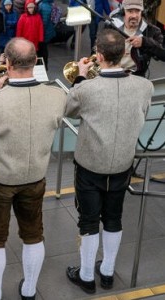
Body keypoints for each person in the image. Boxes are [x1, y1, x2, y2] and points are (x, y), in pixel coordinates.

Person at [0, 37, 67, 300]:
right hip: (36, 176)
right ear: (35, 62)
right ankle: (29, 290)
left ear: (7, 63)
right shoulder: (56, 96)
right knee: (33, 233)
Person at [65, 29, 152, 295]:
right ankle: (107, 273)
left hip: (90, 165)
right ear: (124, 53)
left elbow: (68, 109)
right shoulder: (144, 86)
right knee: (114, 217)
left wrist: (80, 77)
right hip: (123, 165)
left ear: (98, 56)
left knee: (88, 220)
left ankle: (87, 276)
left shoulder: (86, 89)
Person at [109, 0, 165, 77]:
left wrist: (144, 42)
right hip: (112, 74)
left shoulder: (152, 31)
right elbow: (97, 48)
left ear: (142, 12)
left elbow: (163, 54)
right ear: (123, 11)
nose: (134, 15)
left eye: (137, 11)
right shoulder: (112, 25)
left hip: (136, 76)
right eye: (130, 11)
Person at [37, 0, 56, 70]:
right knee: (43, 49)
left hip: (44, 32)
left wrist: (40, 32)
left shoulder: (45, 6)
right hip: (46, 31)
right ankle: (43, 65)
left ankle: (43, 66)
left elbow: (44, 22)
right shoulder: (47, 3)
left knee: (42, 49)